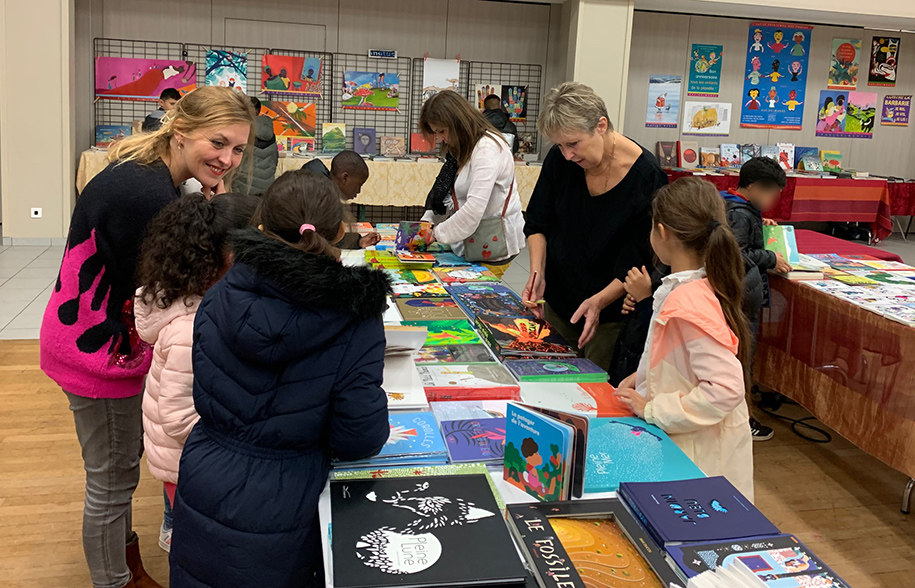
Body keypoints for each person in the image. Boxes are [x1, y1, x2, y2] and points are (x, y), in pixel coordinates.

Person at [39, 86, 254, 588]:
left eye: (239, 148)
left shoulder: (152, 173)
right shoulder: (147, 194)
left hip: (98, 340)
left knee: (120, 470)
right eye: (217, 143)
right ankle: (115, 581)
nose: (227, 159)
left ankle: (126, 565)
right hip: (96, 353)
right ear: (181, 134)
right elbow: (164, 294)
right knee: (112, 482)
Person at [168, 169, 391, 588]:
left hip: (206, 476)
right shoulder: (355, 317)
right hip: (290, 498)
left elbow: (207, 387)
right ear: (340, 231)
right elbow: (359, 436)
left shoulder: (221, 294)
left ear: (260, 226)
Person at [134, 192, 259, 554]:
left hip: (181, 459)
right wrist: (237, 438)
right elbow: (177, 417)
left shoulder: (193, 301)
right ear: (230, 258)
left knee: (181, 516)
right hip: (187, 462)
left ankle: (173, 527)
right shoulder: (191, 330)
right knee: (195, 542)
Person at [615, 177, 754, 500]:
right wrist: (645, 375)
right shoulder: (687, 287)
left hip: (698, 456)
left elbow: (725, 388)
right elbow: (683, 358)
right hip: (688, 447)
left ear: (661, 232)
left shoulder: (688, 299)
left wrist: (654, 409)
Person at [522, 82, 667, 371]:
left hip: (609, 311)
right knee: (549, 379)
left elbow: (637, 258)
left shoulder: (646, 177)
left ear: (601, 125)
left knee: (593, 388)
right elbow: (538, 221)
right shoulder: (560, 160)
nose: (567, 155)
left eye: (573, 144)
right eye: (559, 145)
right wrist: (538, 273)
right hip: (560, 298)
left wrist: (599, 302)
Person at [418, 90, 525, 278]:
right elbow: (445, 193)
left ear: (457, 122)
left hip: (492, 246)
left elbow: (474, 208)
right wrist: (427, 222)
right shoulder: (462, 147)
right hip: (470, 244)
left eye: (442, 131)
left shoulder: (487, 148)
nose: (441, 138)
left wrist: (435, 234)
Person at [721, 156, 789, 442]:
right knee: (741, 360)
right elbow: (737, 252)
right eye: (773, 193)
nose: (774, 200)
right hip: (741, 297)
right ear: (755, 187)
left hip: (743, 295)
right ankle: (742, 419)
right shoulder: (740, 213)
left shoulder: (740, 208)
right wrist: (770, 257)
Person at [303, 151, 380, 248]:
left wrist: (358, 242)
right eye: (359, 185)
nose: (359, 191)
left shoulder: (318, 184)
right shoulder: (319, 196)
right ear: (345, 178)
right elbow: (322, 241)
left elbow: (328, 236)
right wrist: (356, 243)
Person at [235, 96, 279, 195]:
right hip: (267, 186)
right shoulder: (271, 133)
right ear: (259, 110)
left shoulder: (241, 130)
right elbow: (274, 160)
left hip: (243, 185)